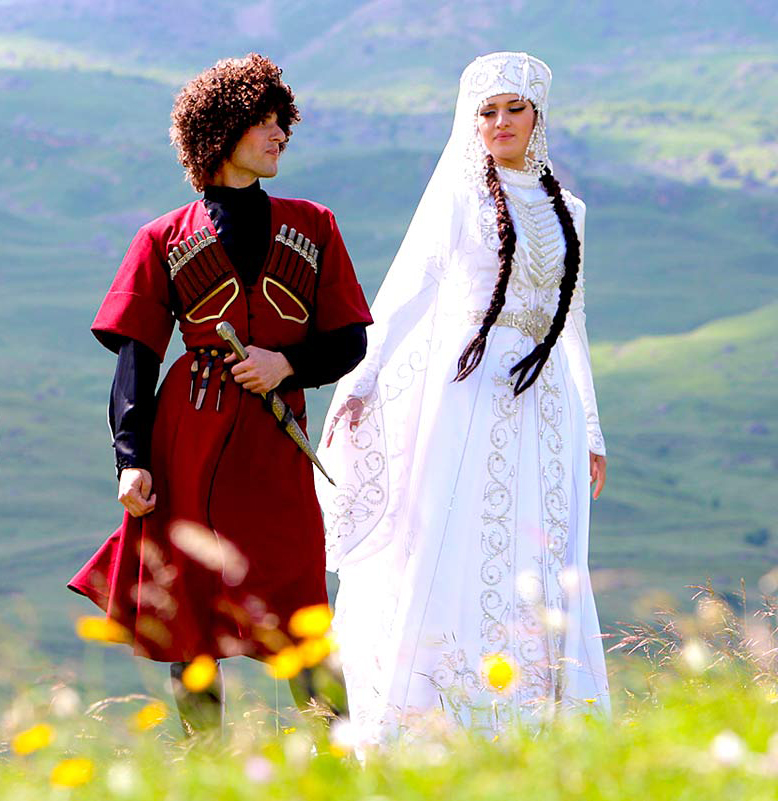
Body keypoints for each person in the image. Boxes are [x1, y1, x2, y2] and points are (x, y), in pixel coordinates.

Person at [68, 53, 372, 733]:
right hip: (189, 441)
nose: (279, 134)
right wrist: (131, 460)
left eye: (282, 122)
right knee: (192, 611)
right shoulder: (161, 238)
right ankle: (202, 763)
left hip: (277, 442)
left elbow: (350, 341)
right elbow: (137, 359)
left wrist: (285, 364)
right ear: (221, 130)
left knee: (300, 600)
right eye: (263, 122)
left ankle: (338, 753)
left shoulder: (315, 224)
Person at [316, 51, 609, 742]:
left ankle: (534, 716)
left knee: (542, 551)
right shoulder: (460, 197)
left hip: (548, 406)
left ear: (538, 115)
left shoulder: (570, 211)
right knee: (455, 541)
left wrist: (593, 429)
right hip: (469, 396)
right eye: (488, 111)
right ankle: (441, 710)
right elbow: (408, 291)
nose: (501, 122)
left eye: (515, 109)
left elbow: (572, 323)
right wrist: (361, 379)